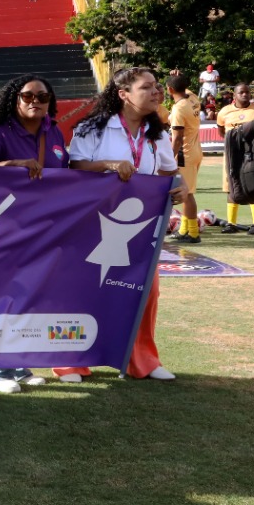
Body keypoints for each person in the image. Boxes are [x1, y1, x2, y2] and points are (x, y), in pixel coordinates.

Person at [68, 67, 184, 378]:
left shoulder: (158, 133)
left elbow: (168, 174)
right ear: (124, 94)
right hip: (93, 225)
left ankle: (143, 361)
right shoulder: (92, 127)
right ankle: (71, 361)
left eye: (157, 86)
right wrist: (107, 165)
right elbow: (74, 166)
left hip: (141, 229)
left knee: (146, 292)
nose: (156, 92)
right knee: (86, 291)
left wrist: (179, 187)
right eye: (146, 87)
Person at [0, 74, 80, 389]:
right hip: (4, 229)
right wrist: (11, 164)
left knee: (31, 299)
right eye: (27, 96)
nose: (35, 101)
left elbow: (64, 175)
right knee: (2, 299)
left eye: (42, 96)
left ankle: (18, 364)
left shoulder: (54, 132)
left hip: (44, 230)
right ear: (15, 99)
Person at [217, 83, 254, 235]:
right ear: (235, 95)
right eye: (241, 92)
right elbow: (221, 131)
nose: (245, 95)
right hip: (232, 156)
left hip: (253, 155)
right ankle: (231, 223)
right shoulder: (224, 112)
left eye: (247, 92)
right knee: (231, 187)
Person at [167, 73, 204, 244]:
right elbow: (183, 87)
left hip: (184, 155)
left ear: (169, 89)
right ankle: (184, 229)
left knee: (186, 194)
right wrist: (178, 77)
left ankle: (194, 234)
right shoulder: (193, 98)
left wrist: (168, 157)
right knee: (186, 193)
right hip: (196, 150)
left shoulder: (178, 108)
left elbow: (177, 138)